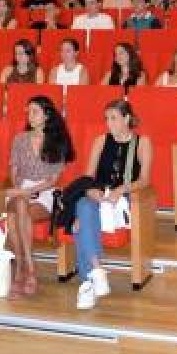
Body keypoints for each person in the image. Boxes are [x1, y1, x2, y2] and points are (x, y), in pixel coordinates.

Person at [63, 99, 153, 310]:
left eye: (113, 118)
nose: (108, 123)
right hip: (100, 194)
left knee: (82, 222)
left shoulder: (141, 142)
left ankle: (87, 283)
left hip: (126, 196)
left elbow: (145, 180)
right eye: (107, 119)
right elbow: (88, 176)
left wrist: (121, 190)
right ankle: (96, 271)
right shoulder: (101, 141)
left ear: (127, 118)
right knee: (84, 206)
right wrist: (90, 190)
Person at [5, 95, 75, 298]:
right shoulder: (20, 138)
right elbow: (14, 170)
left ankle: (21, 269)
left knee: (16, 211)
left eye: (34, 111)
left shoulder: (57, 141)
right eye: (28, 111)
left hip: (45, 191)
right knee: (18, 208)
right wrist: (19, 188)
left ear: (46, 115)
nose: (30, 115)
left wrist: (22, 192)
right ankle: (29, 268)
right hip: (22, 188)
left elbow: (53, 180)